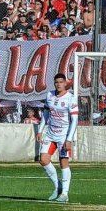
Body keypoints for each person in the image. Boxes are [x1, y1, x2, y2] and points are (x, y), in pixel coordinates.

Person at [36, 73, 78, 203]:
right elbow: (46, 114)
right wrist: (40, 130)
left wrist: (69, 139)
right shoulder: (49, 95)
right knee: (43, 160)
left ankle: (65, 194)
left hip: (63, 135)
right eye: (56, 82)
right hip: (50, 133)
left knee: (63, 163)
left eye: (61, 82)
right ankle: (58, 186)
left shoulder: (71, 99)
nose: (58, 84)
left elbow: (75, 120)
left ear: (65, 83)